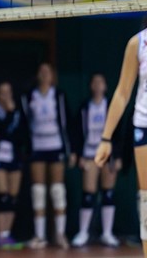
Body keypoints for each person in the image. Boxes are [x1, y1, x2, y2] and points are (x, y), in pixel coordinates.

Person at [96, 22, 147, 257]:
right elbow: (122, 92)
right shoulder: (138, 43)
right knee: (146, 198)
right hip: (144, 125)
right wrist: (106, 138)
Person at [20, 63, 72, 250]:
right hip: (37, 146)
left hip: (55, 145)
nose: (44, 75)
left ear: (52, 75)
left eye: (47, 72)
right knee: (38, 191)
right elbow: (25, 123)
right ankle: (40, 235)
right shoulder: (29, 97)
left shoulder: (58, 95)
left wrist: (70, 150)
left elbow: (66, 122)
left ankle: (60, 234)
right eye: (41, 72)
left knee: (57, 190)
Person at [71, 72, 122, 248]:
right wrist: (78, 155)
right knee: (88, 194)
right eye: (95, 82)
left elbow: (118, 133)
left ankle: (107, 233)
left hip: (107, 155)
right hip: (89, 154)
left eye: (101, 82)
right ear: (91, 86)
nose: (98, 85)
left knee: (108, 193)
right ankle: (83, 232)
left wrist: (117, 156)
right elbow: (77, 132)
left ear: (105, 86)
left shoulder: (111, 106)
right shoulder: (85, 107)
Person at [0, 81, 26, 249]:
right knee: (2, 195)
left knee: (12, 197)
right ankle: (0, 234)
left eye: (9, 92)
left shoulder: (18, 111)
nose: (6, 96)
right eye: (3, 92)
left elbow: (21, 134)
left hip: (14, 156)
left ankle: (7, 233)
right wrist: (9, 114)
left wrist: (11, 115)